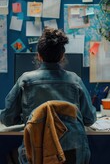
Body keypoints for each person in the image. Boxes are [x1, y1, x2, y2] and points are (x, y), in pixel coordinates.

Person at [0, 27, 96, 164]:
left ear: (39, 55)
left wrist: (27, 118)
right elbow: (89, 118)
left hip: (36, 153)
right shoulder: (75, 81)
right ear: (62, 55)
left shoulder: (25, 81)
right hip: (73, 154)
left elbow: (7, 118)